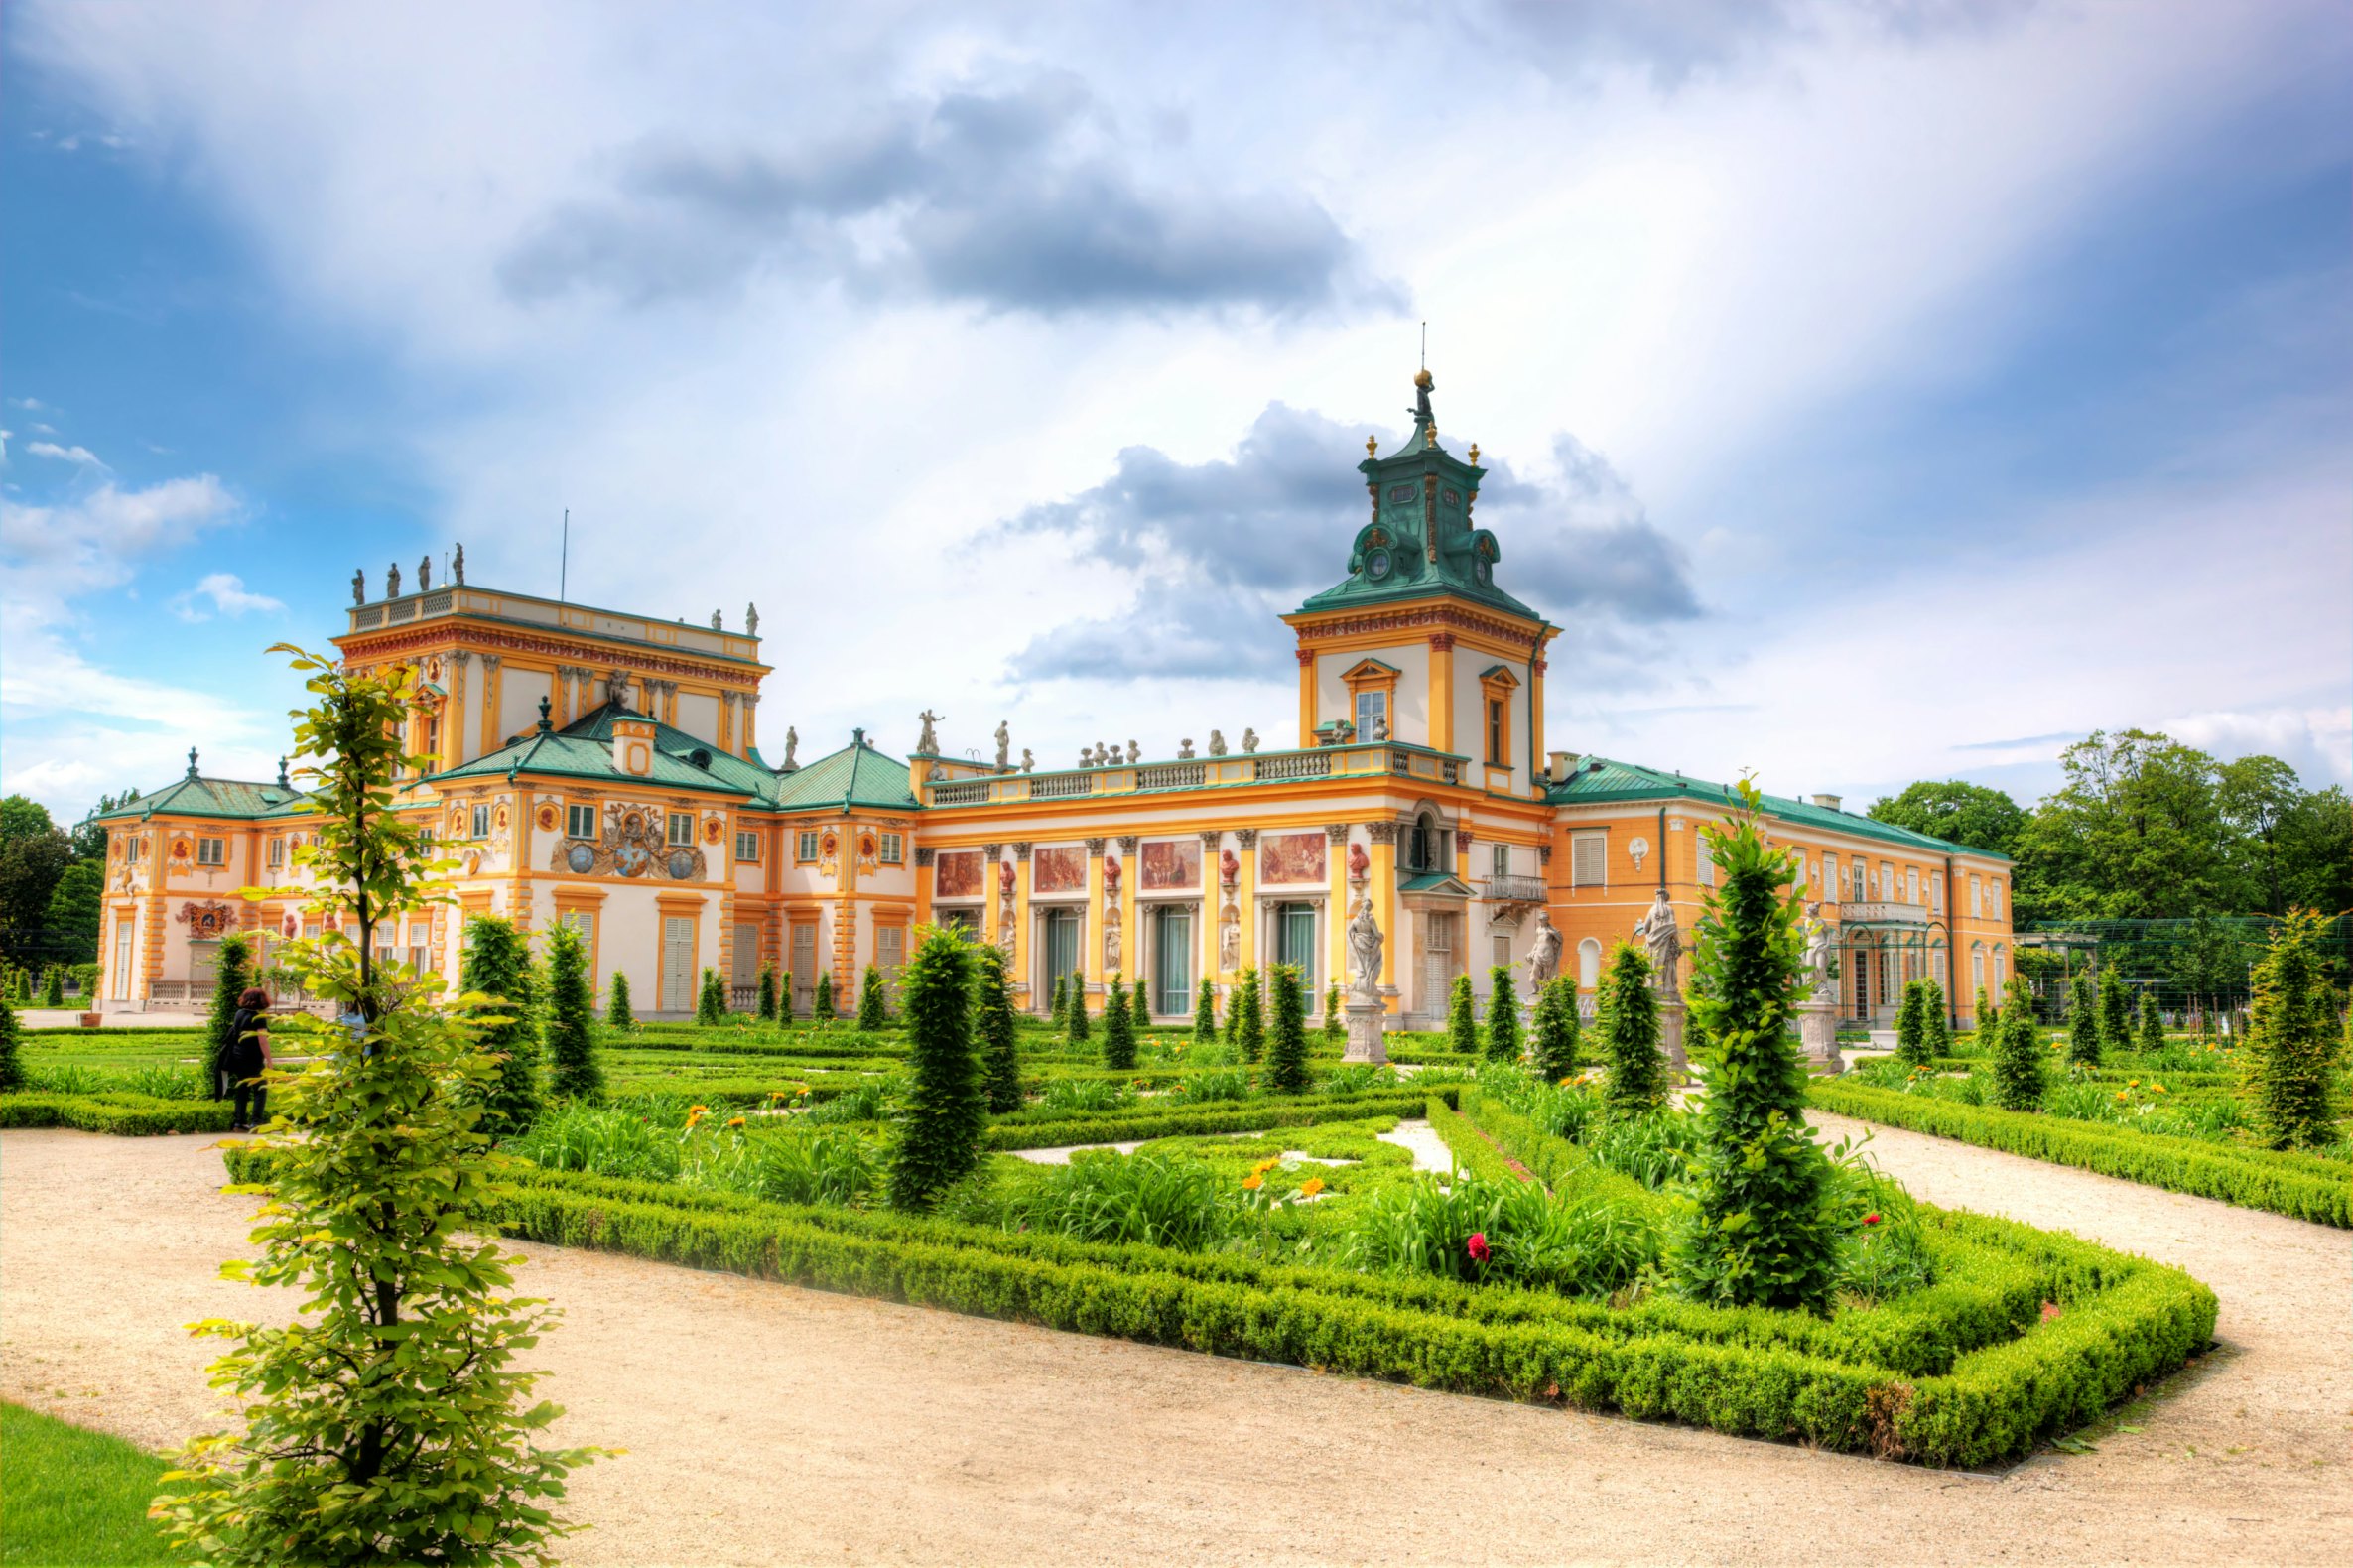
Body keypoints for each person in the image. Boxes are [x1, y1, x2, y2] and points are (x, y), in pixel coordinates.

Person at [224, 986, 273, 1131]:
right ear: (262, 1001)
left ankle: (239, 1123)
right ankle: (256, 1122)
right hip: (253, 1058)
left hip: (238, 1056)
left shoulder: (239, 1013)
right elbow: (262, 1040)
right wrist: (269, 1060)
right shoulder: (259, 1018)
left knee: (242, 1089)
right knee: (260, 1089)